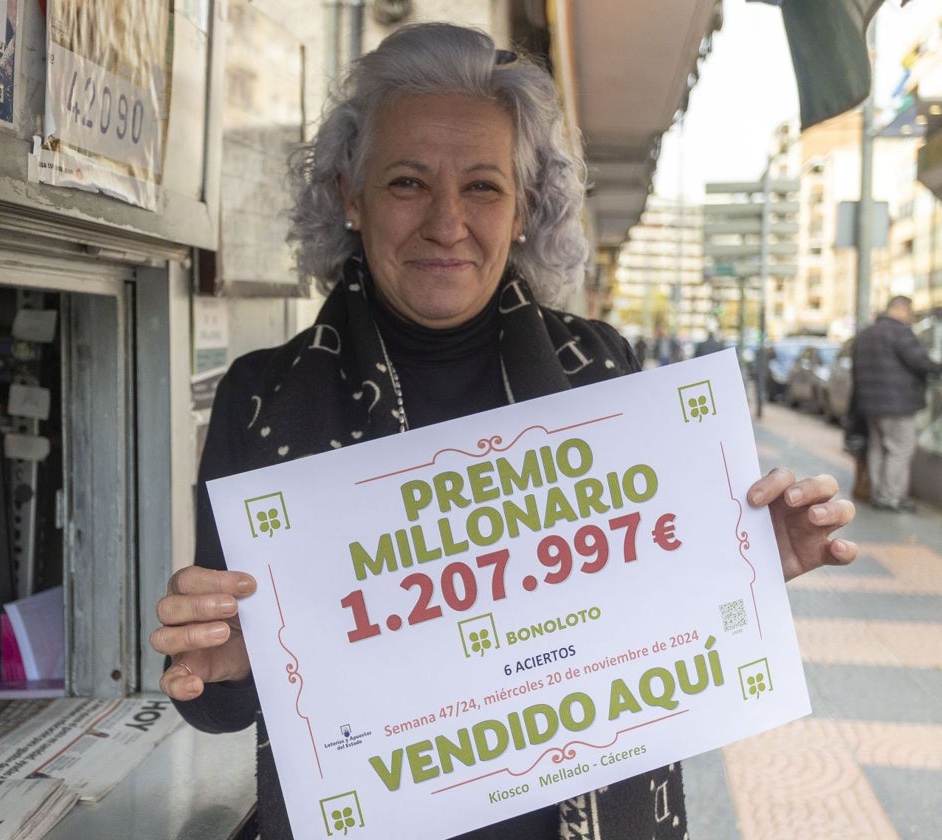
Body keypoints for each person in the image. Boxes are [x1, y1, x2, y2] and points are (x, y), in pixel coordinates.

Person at [150, 23, 857, 840]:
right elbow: (221, 705)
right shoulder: (263, 402)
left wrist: (742, 565)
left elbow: (654, 624)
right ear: (351, 193)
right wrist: (225, 667)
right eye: (408, 182)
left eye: (483, 187)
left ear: (524, 205)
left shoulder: (604, 372)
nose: (447, 222)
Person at [851, 295, 942, 512]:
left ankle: (877, 492)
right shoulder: (899, 332)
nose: (910, 318)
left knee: (877, 446)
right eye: (909, 312)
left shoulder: (866, 333)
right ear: (901, 309)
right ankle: (890, 497)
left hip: (869, 404)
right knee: (901, 448)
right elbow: (920, 362)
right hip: (897, 403)